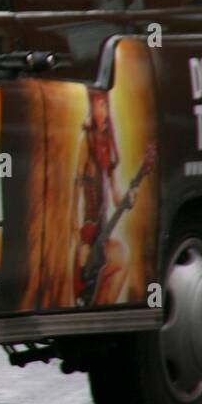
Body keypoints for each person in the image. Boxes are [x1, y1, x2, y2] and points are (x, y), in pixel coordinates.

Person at [71, 90, 131, 306]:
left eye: (106, 105)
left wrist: (128, 196)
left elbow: (116, 193)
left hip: (102, 227)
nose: (104, 110)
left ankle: (102, 306)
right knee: (85, 274)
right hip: (87, 228)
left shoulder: (108, 143)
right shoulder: (85, 140)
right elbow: (77, 184)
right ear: (92, 106)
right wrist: (75, 226)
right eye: (100, 105)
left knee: (121, 258)